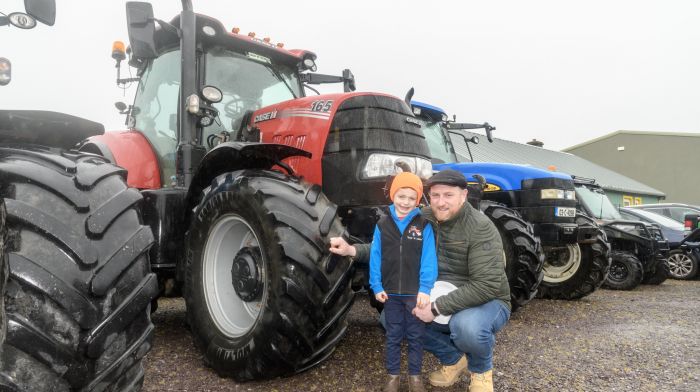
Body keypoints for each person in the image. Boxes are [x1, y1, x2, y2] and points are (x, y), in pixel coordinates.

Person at [330, 169, 511, 392]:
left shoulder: (480, 227)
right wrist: (351, 249)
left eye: (448, 195)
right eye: (436, 195)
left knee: (466, 327)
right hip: (439, 292)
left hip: (485, 299)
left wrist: (436, 308)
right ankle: (453, 360)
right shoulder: (422, 217)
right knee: (391, 320)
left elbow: (487, 285)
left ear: (463, 195)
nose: (441, 203)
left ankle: (482, 371)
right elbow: (390, 247)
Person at [369, 172, 438, 392]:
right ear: (393, 195)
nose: (406, 202)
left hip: (415, 294)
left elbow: (429, 259)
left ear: (418, 199)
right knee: (393, 335)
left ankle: (415, 377)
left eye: (411, 197)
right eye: (401, 196)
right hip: (390, 294)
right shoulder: (382, 224)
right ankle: (393, 376)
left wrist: (425, 288)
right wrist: (376, 285)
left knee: (416, 337)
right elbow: (375, 256)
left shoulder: (424, 225)